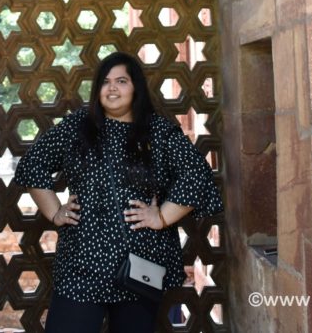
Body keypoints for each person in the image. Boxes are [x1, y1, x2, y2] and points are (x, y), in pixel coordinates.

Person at [12, 51, 222, 332]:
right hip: (82, 264)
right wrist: (54, 211)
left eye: (121, 81)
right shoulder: (77, 127)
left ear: (136, 87)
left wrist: (161, 217)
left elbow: (196, 176)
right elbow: (32, 165)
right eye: (106, 82)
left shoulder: (158, 132)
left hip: (137, 266)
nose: (112, 88)